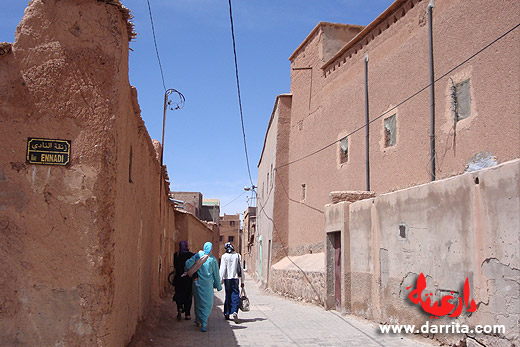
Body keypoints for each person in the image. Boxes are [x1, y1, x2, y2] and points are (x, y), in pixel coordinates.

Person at [185, 241, 222, 332]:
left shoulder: (198, 255)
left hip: (197, 284)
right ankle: (204, 322)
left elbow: (188, 264)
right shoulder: (212, 260)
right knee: (207, 303)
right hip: (207, 285)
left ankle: (198, 319)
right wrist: (218, 285)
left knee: (198, 302)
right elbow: (216, 274)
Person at [219, 242, 244, 323]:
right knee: (235, 295)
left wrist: (220, 280)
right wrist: (242, 281)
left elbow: (222, 269)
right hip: (235, 278)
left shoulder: (224, 256)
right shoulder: (237, 256)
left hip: (227, 279)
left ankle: (227, 312)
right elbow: (241, 269)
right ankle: (234, 311)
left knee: (228, 295)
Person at [173, 241, 194, 321]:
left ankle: (179, 308)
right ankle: (187, 314)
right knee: (188, 295)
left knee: (178, 293)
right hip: (188, 279)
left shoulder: (176, 255)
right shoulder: (190, 255)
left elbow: (175, 266)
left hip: (178, 278)